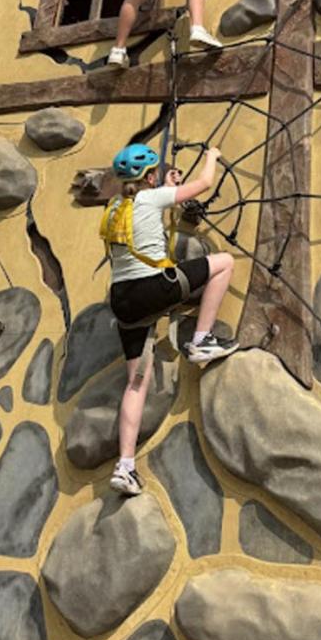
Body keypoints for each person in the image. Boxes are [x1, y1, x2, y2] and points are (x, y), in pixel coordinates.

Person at [103, 141, 237, 497]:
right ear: (149, 177)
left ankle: (125, 466)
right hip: (153, 287)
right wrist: (211, 157)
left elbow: (147, 217)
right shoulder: (152, 198)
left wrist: (167, 187)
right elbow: (203, 185)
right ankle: (201, 340)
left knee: (135, 383)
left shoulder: (116, 205)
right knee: (223, 263)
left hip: (123, 300)